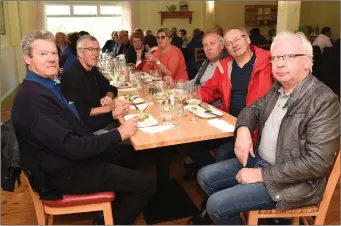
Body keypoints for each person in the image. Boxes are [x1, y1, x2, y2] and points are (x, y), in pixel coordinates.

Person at [11, 30, 156, 225]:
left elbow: (77, 124)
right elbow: (73, 147)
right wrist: (118, 133)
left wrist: (111, 116)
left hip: (67, 159)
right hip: (63, 173)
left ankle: (111, 211)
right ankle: (106, 221)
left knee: (131, 155)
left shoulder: (45, 86)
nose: (52, 59)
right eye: (43, 54)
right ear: (28, 58)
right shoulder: (34, 100)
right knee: (146, 184)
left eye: (54, 53)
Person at [195, 31, 340, 225]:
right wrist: (244, 130)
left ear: (307, 61)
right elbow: (251, 109)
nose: (279, 63)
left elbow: (318, 163)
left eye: (288, 57)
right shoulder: (278, 88)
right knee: (205, 176)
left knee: (216, 205)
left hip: (292, 182)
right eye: (275, 58)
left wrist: (261, 174)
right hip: (260, 161)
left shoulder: (323, 100)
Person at [200, 27, 273, 162]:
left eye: (237, 39)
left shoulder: (268, 62)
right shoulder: (224, 66)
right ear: (226, 48)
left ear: (247, 39)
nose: (234, 45)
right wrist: (192, 97)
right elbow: (209, 90)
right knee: (195, 143)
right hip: (229, 125)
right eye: (228, 43)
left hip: (258, 128)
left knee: (223, 153)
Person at [61, 35, 121, 133]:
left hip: (102, 120)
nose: (96, 54)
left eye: (97, 49)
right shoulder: (71, 77)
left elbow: (111, 88)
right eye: (90, 49)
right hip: (89, 132)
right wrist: (110, 109)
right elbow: (82, 114)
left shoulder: (92, 70)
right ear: (80, 52)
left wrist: (108, 96)